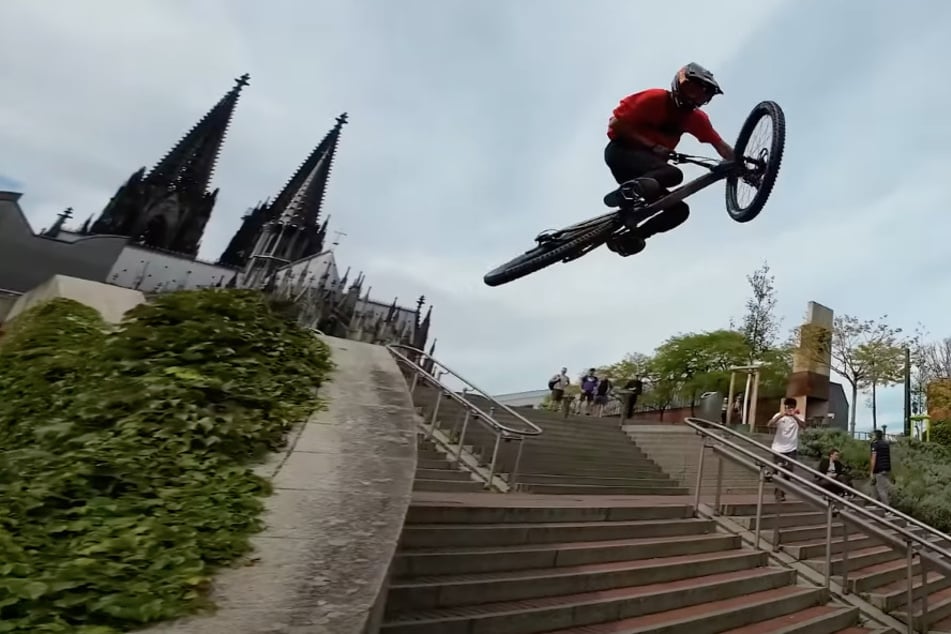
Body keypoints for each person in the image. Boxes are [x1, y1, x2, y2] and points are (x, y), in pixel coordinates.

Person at [604, 63, 736, 257]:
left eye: (701, 95)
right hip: (621, 152)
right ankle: (631, 190)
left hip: (647, 174)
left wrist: (743, 165)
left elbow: (721, 146)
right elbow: (615, 123)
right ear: (679, 83)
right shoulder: (655, 98)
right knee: (672, 174)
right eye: (690, 89)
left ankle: (631, 237)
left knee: (679, 210)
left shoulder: (696, 119)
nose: (693, 97)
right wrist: (652, 146)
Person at [767, 398, 807, 502]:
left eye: (791, 407)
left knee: (788, 471)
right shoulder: (779, 415)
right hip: (778, 448)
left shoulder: (799, 416)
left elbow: (804, 426)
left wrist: (794, 416)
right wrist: (781, 415)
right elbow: (769, 424)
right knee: (778, 470)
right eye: (787, 407)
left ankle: (781, 493)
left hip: (791, 448)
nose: (789, 409)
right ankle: (776, 483)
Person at [870, 429, 893, 506]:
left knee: (881, 489)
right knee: (878, 486)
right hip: (887, 468)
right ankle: (874, 502)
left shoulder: (875, 444)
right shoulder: (886, 444)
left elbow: (874, 458)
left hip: (879, 469)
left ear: (876, 436)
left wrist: (871, 471)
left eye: (872, 435)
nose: (871, 436)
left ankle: (887, 508)